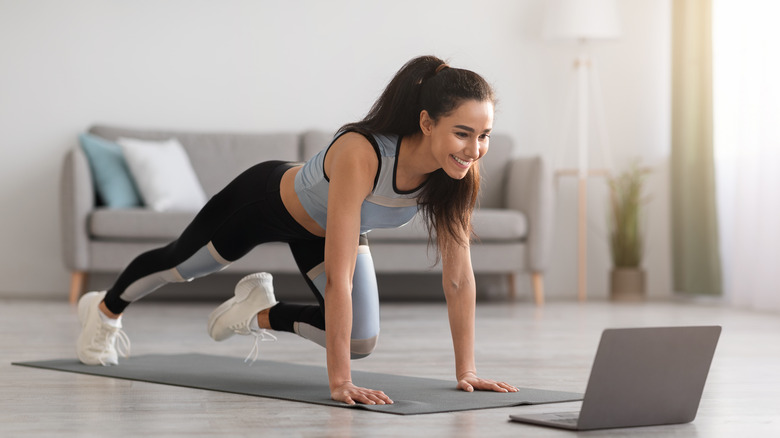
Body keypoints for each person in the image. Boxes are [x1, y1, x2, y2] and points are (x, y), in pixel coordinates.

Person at [76, 55, 518, 405]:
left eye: (485, 136)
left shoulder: (457, 176)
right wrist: (341, 381)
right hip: (264, 203)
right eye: (463, 133)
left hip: (328, 231)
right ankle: (103, 311)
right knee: (181, 266)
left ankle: (255, 311)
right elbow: (341, 277)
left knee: (361, 340)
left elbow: (459, 278)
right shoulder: (362, 153)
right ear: (426, 123)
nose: (475, 149)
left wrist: (467, 372)